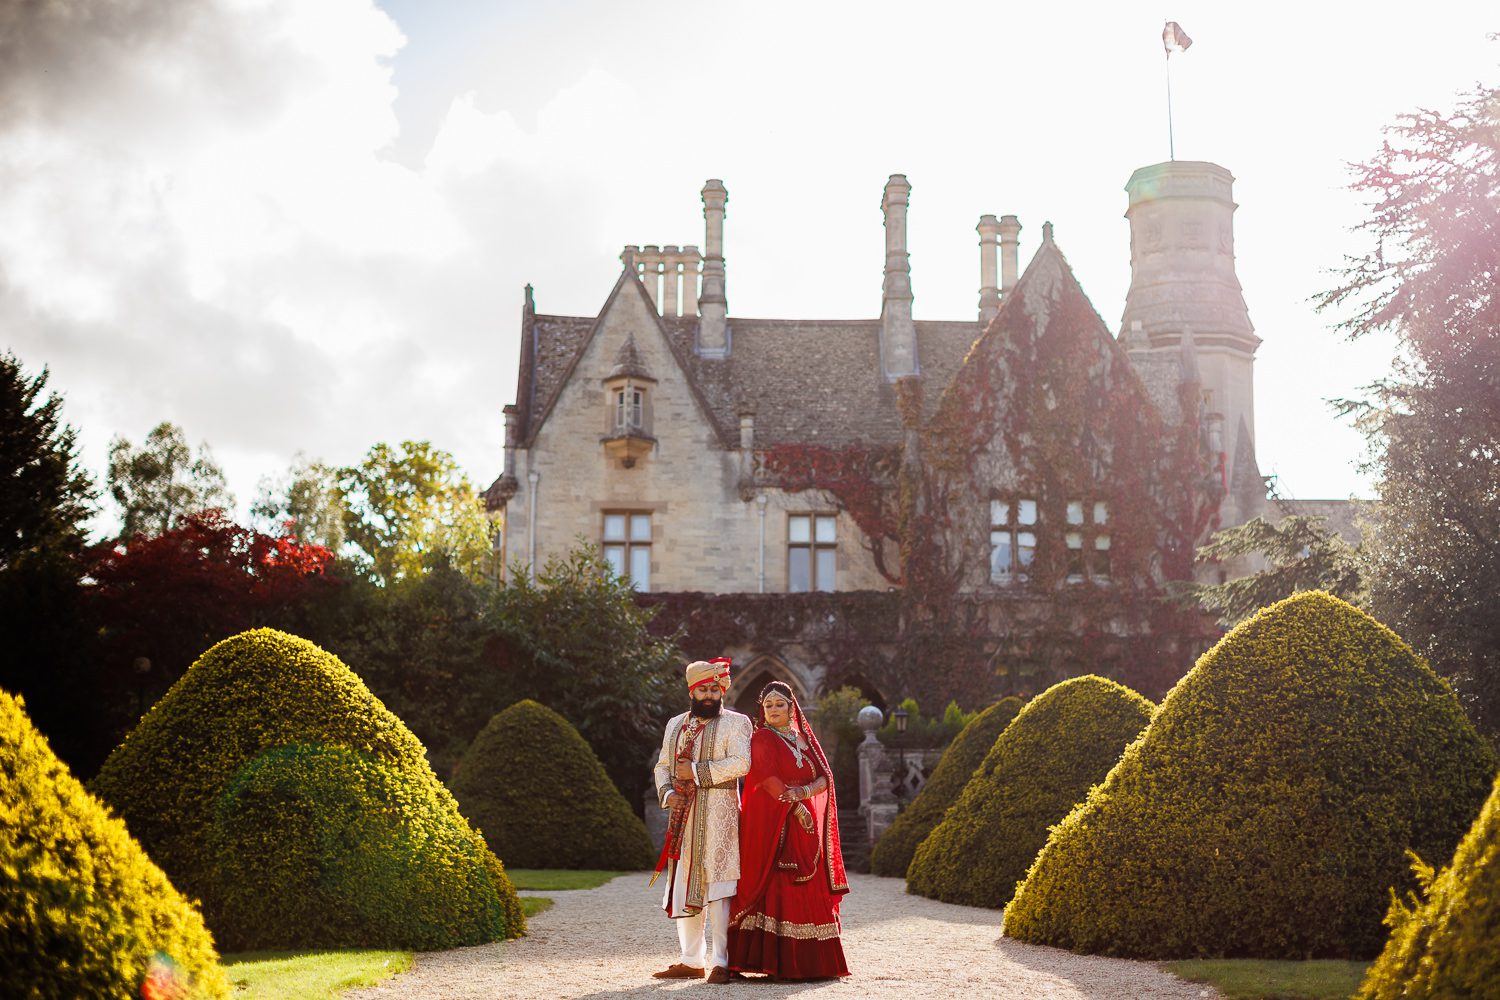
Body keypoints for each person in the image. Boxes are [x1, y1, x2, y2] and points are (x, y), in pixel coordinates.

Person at [727, 680, 850, 980]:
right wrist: (795, 807)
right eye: (767, 705)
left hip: (805, 825)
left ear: (791, 707)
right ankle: (778, 963)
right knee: (781, 882)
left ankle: (816, 963)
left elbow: (825, 778)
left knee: (810, 884)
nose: (773, 710)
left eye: (779, 704)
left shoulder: (804, 739)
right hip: (778, 824)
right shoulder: (762, 739)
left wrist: (804, 794)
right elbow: (766, 779)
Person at [650, 659, 754, 984]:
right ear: (691, 691)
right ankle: (691, 960)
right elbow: (662, 766)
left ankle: (721, 961)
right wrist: (668, 794)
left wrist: (696, 772)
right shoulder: (675, 725)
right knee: (684, 885)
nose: (709, 695)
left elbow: (742, 763)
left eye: (713, 689)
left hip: (720, 814)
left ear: (721, 690)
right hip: (684, 817)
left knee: (720, 887)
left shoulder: (738, 723)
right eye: (702, 689)